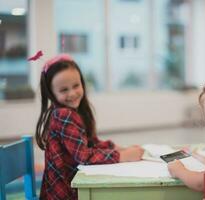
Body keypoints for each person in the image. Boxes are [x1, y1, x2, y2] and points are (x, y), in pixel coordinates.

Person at [35, 54, 144, 200]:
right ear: (52, 93)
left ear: (82, 83)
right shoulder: (63, 115)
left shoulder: (72, 112)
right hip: (65, 193)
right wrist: (122, 156)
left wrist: (116, 147)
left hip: (70, 186)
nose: (72, 93)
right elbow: (84, 157)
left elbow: (91, 142)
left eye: (76, 86)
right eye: (64, 90)